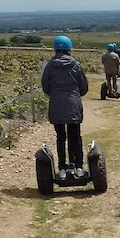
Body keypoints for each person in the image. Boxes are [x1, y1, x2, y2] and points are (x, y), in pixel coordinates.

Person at [41, 35, 89, 179]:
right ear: (69, 48)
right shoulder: (75, 65)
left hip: (56, 105)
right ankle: (78, 166)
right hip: (73, 104)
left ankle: (62, 168)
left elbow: (45, 87)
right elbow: (84, 87)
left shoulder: (50, 66)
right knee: (75, 136)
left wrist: (56, 94)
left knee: (61, 136)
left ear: (55, 49)